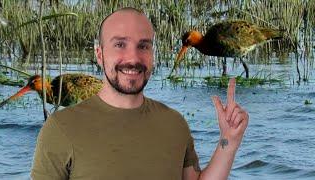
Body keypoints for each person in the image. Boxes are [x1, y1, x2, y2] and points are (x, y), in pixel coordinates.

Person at [31, 7, 249, 180]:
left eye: (143, 46)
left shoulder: (174, 123)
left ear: (152, 55)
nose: (132, 58)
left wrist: (228, 142)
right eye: (119, 44)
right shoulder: (60, 128)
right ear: (99, 54)